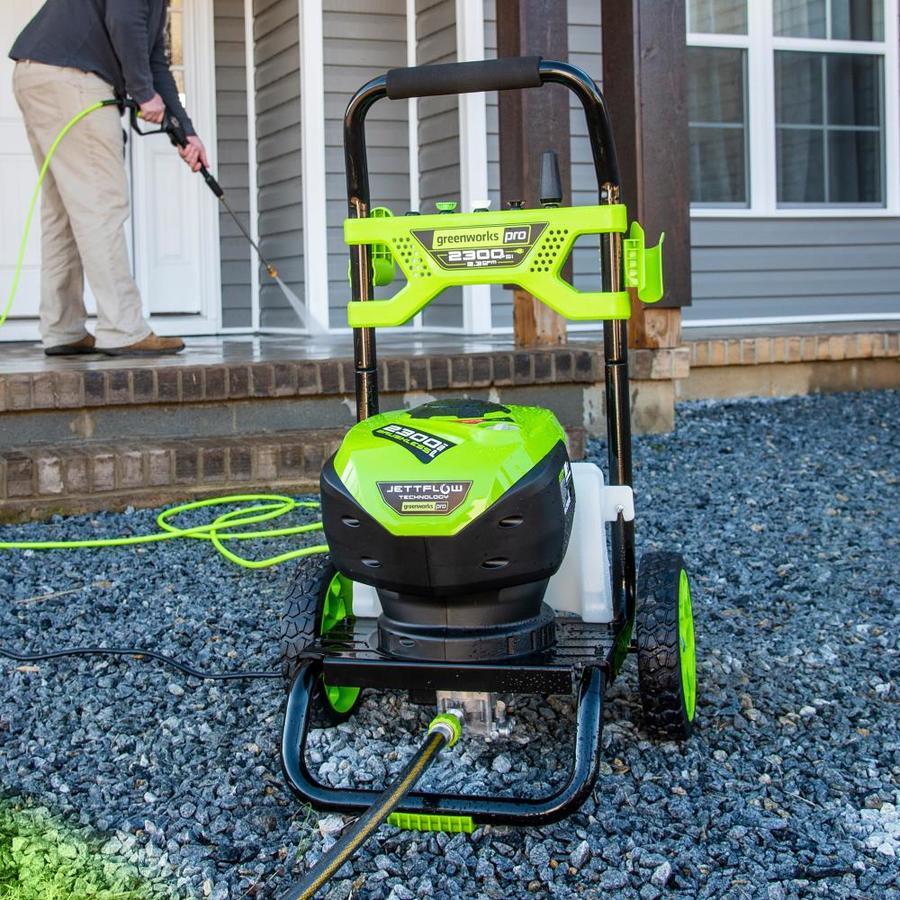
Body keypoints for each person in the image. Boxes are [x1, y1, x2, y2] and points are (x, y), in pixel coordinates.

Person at [9, 1, 208, 357]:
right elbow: (124, 17)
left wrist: (185, 132)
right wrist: (142, 92)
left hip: (40, 74)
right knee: (102, 204)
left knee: (64, 212)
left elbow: (155, 62)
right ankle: (122, 327)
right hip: (74, 79)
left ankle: (62, 327)